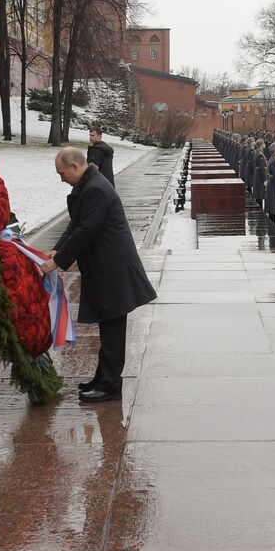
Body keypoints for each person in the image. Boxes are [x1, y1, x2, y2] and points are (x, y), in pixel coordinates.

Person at [39, 147, 157, 403]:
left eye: (61, 173)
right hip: (106, 266)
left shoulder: (95, 189)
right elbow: (75, 224)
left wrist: (57, 262)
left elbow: (85, 231)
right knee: (108, 326)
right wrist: (58, 249)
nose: (61, 179)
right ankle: (103, 378)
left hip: (112, 268)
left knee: (113, 328)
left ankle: (110, 386)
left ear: (74, 167)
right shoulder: (89, 184)